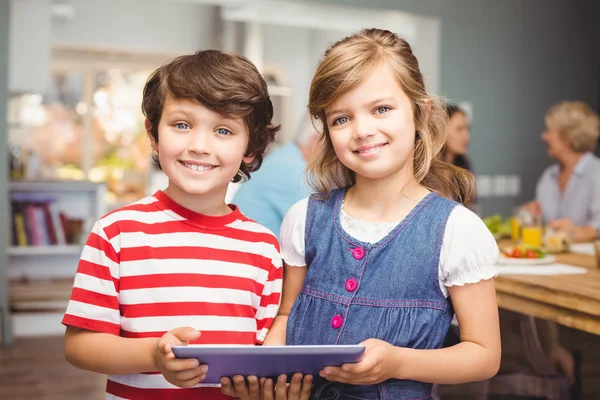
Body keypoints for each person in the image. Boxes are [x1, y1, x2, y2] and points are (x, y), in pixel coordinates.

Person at [222, 28, 501, 399]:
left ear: (421, 113)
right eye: (341, 118)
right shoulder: (304, 218)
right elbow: (287, 316)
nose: (362, 130)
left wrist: (398, 362)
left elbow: (484, 355)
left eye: (381, 109)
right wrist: (270, 372)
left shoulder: (458, 230)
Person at [62, 50, 283, 399]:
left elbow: (263, 349)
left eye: (223, 130)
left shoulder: (264, 247)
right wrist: (154, 355)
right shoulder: (116, 232)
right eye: (182, 125)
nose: (199, 146)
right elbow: (80, 346)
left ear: (251, 147)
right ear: (153, 133)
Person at [523, 101, 600, 243]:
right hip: (555, 259)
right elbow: (544, 221)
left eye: (548, 131)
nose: (544, 136)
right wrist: (533, 211)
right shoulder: (549, 175)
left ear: (568, 137)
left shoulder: (596, 173)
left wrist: (579, 232)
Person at [232, 115, 320, 238]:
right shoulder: (293, 170)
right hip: (248, 250)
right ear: (316, 141)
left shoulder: (285, 157)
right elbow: (317, 231)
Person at [441, 102, 472, 171]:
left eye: (467, 128)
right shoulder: (426, 170)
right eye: (459, 129)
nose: (466, 136)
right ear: (441, 131)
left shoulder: (465, 166)